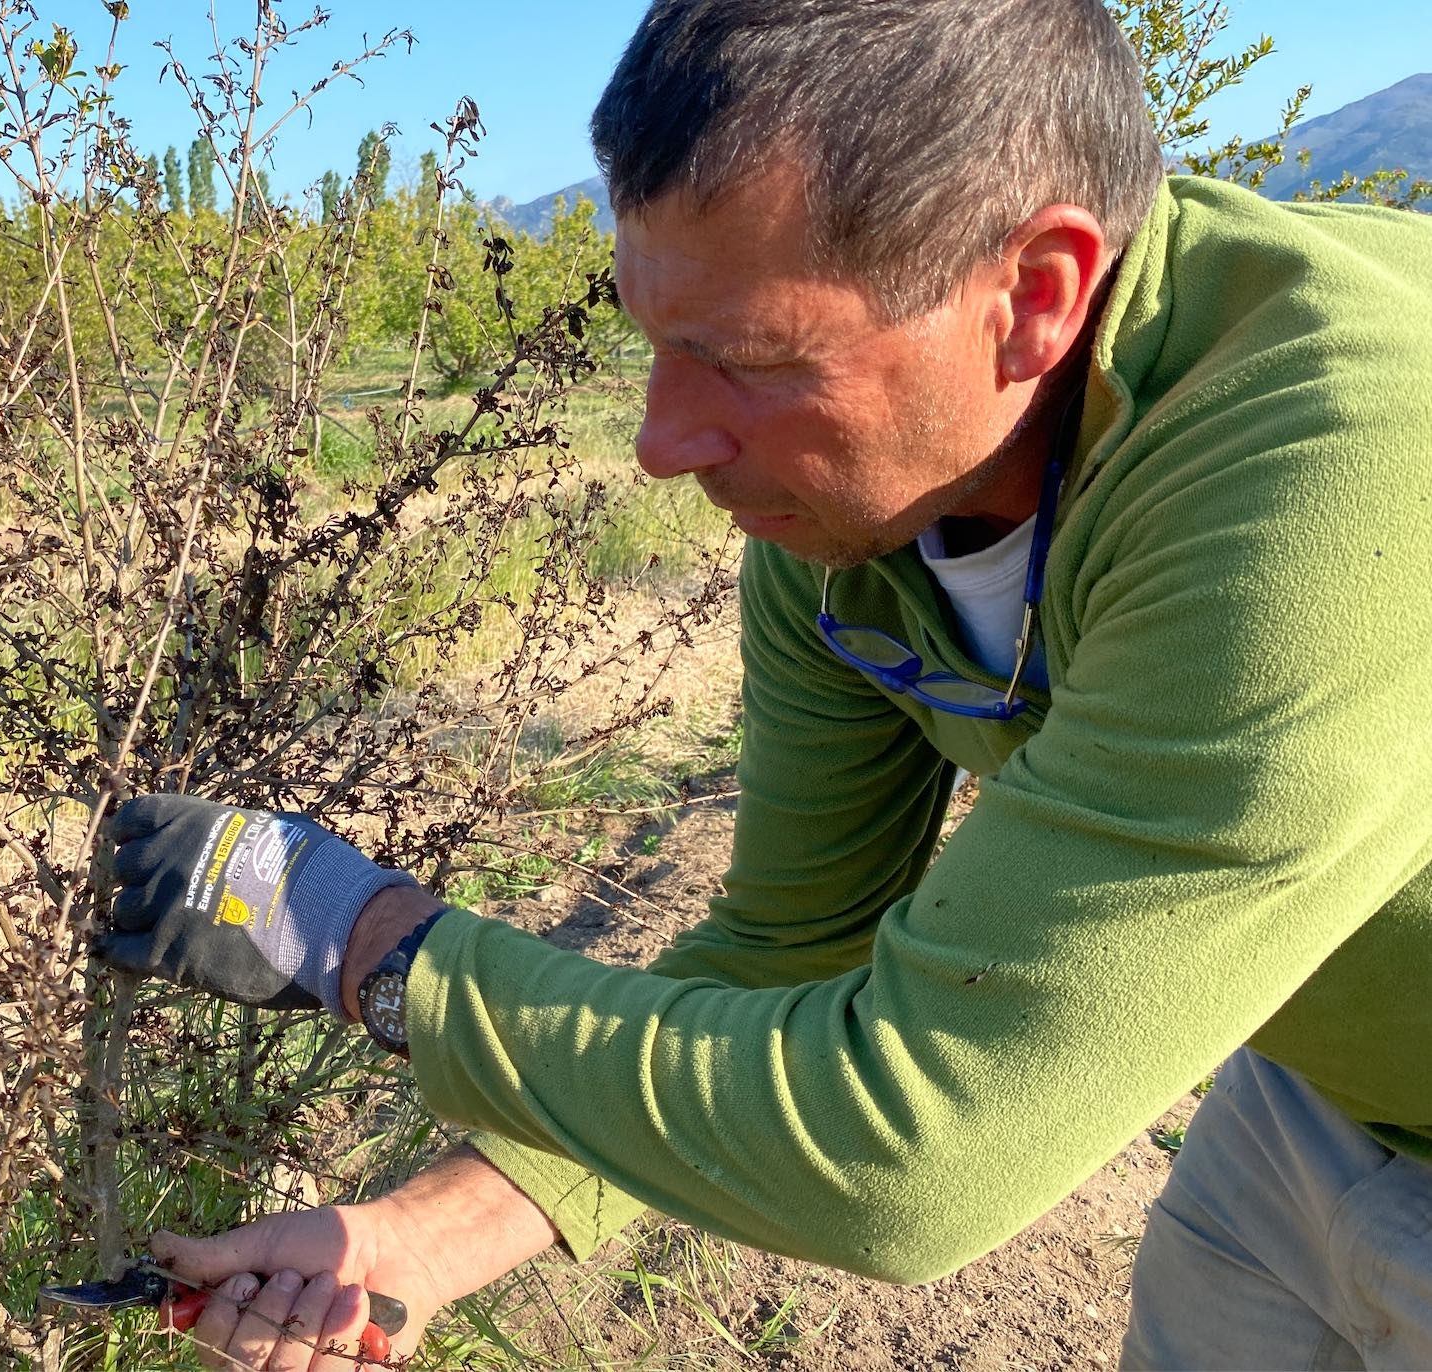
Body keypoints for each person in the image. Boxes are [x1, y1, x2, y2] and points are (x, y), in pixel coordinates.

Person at [96, 1, 1432, 1367]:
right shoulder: (853, 510)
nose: (662, 444)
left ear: (1032, 296)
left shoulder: (1333, 474)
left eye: (746, 361)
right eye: (658, 340)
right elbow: (790, 947)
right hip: (1313, 1095)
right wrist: (417, 1240)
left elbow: (913, 1150)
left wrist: (364, 945)